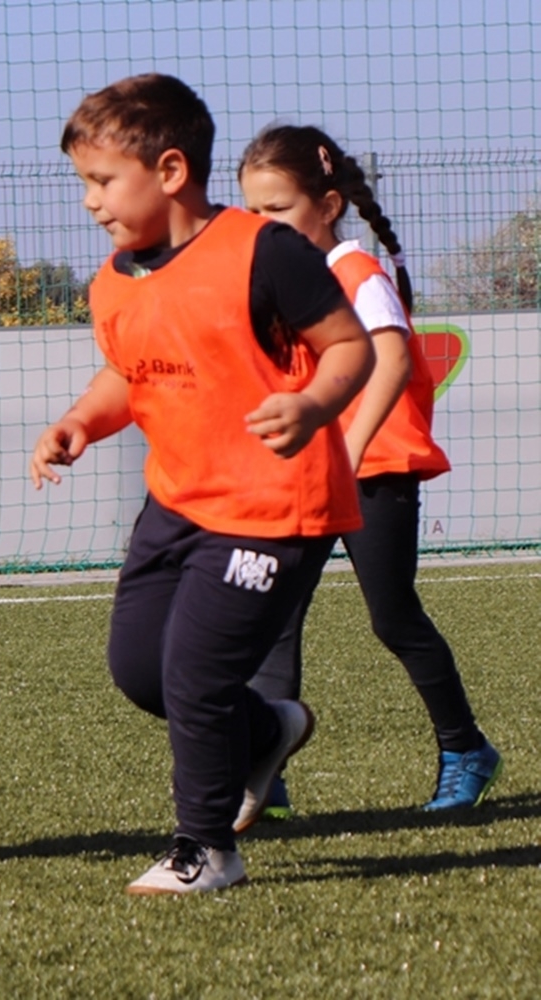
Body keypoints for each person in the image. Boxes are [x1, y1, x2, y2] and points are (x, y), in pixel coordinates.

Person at [31, 74, 375, 895]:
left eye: (102, 180)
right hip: (178, 502)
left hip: (273, 506)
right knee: (140, 670)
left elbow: (352, 346)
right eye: (84, 182)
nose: (89, 201)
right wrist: (80, 420)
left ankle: (206, 848)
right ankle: (266, 731)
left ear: (172, 171)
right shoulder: (115, 279)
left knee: (194, 672)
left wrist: (313, 405)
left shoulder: (265, 251)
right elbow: (130, 373)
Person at [238, 125, 501, 817]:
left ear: (328, 207)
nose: (261, 224)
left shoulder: (356, 271)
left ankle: (465, 748)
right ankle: (264, 770)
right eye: (251, 211)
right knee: (274, 615)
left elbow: (391, 359)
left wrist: (348, 449)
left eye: (277, 209)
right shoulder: (284, 282)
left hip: (375, 470)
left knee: (393, 617)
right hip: (311, 470)